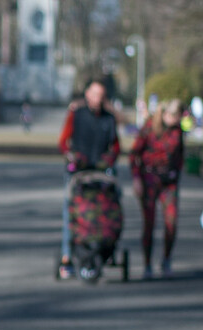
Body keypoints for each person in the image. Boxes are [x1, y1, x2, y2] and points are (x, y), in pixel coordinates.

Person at [57, 80, 120, 279]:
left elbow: (116, 145)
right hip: (79, 172)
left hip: (101, 173)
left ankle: (108, 249)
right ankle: (67, 255)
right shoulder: (76, 114)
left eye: (101, 96)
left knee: (111, 205)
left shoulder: (109, 118)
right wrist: (72, 157)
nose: (97, 99)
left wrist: (109, 159)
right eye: (94, 94)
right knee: (71, 210)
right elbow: (63, 142)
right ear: (87, 94)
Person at [129, 98, 184, 279]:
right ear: (165, 114)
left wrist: (176, 172)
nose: (177, 120)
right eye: (175, 116)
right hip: (150, 180)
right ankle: (147, 264)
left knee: (171, 223)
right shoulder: (149, 128)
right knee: (149, 223)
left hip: (169, 182)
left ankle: (166, 259)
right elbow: (134, 154)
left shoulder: (177, 131)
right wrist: (136, 179)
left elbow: (180, 154)